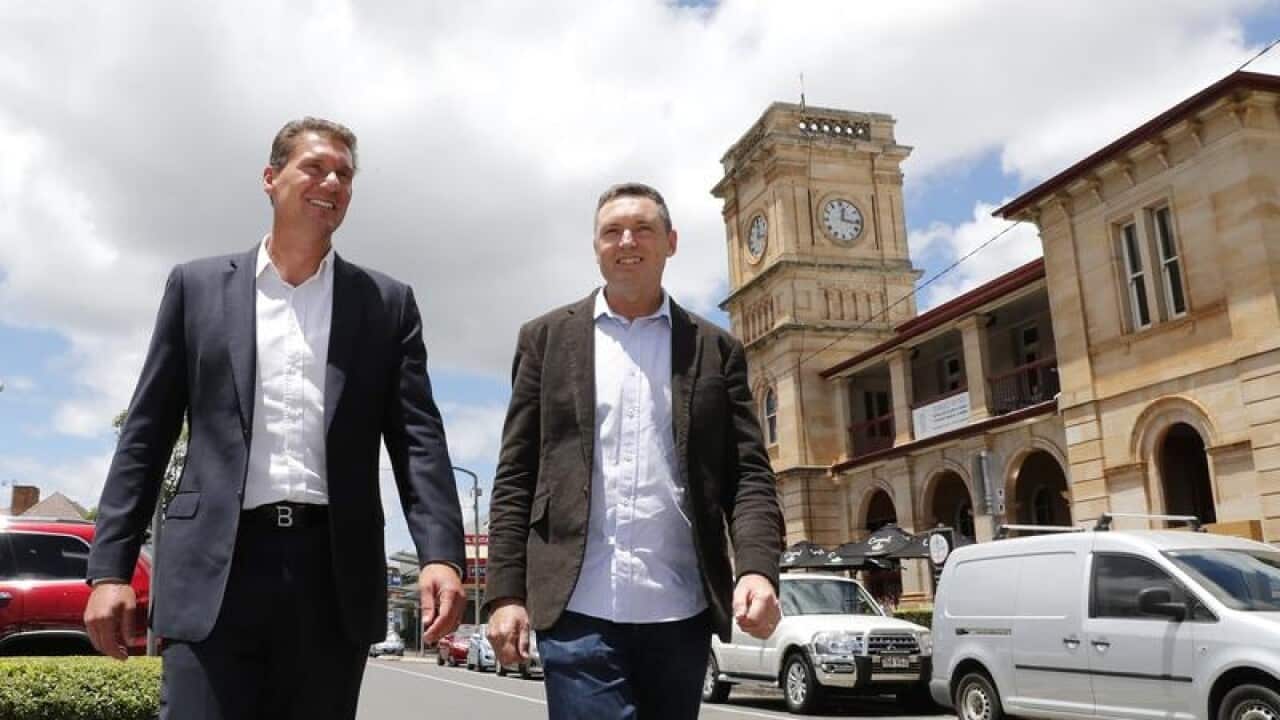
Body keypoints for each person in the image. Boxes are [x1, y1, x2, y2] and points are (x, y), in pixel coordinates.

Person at [84, 118, 466, 719]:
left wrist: (441, 553)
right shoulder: (197, 287)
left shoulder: (385, 304)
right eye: (315, 167)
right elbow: (145, 435)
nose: (332, 181)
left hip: (331, 574)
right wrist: (110, 568)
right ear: (271, 178)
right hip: (215, 568)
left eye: (344, 174)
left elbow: (418, 440)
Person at [485, 182, 785, 719]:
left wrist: (758, 569)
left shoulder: (715, 350)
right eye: (612, 231)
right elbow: (515, 476)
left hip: (681, 612)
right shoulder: (546, 340)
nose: (627, 240)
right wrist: (505, 593)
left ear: (670, 242)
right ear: (596, 246)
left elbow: (749, 476)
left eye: (643, 228)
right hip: (577, 612)